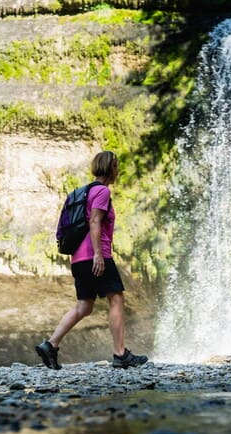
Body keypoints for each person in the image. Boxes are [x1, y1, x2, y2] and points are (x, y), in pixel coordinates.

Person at [36, 151, 148, 369]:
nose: (118, 171)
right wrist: (98, 254)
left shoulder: (81, 192)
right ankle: (120, 354)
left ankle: (51, 345)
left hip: (78, 257)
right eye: (116, 166)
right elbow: (95, 221)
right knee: (116, 299)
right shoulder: (102, 192)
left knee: (84, 306)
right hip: (96, 255)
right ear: (110, 168)